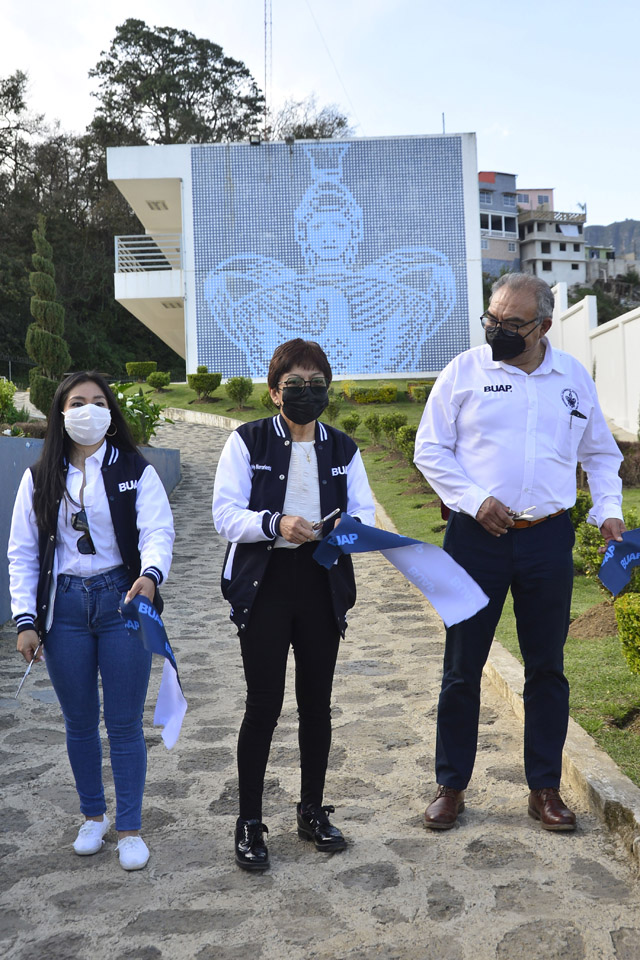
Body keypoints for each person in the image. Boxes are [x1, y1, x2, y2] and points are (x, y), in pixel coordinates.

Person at [414, 273, 625, 832]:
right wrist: (473, 500)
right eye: (491, 318)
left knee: (547, 669)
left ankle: (545, 790)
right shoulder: (464, 371)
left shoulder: (572, 379)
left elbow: (601, 454)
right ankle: (450, 786)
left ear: (544, 326)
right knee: (462, 668)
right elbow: (429, 449)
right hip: (474, 541)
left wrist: (609, 511)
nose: (497, 330)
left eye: (512, 323)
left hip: (547, 540)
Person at [212, 338, 375, 870]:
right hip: (265, 583)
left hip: (321, 580)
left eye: (317, 385)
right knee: (263, 705)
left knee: (316, 704)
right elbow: (225, 515)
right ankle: (250, 821)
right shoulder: (247, 441)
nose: (307, 394)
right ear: (274, 392)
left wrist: (344, 531)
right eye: (295, 386)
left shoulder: (342, 448)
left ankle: (310, 810)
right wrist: (274, 523)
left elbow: (367, 514)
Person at [9, 371, 174, 870]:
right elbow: (23, 553)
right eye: (77, 402)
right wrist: (25, 620)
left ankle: (129, 828)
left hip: (121, 599)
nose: (88, 410)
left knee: (123, 723)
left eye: (98, 401)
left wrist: (150, 575)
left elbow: (158, 529)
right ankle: (93, 816)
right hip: (65, 611)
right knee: (79, 722)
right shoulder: (39, 477)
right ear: (60, 412)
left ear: (110, 411)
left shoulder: (135, 468)